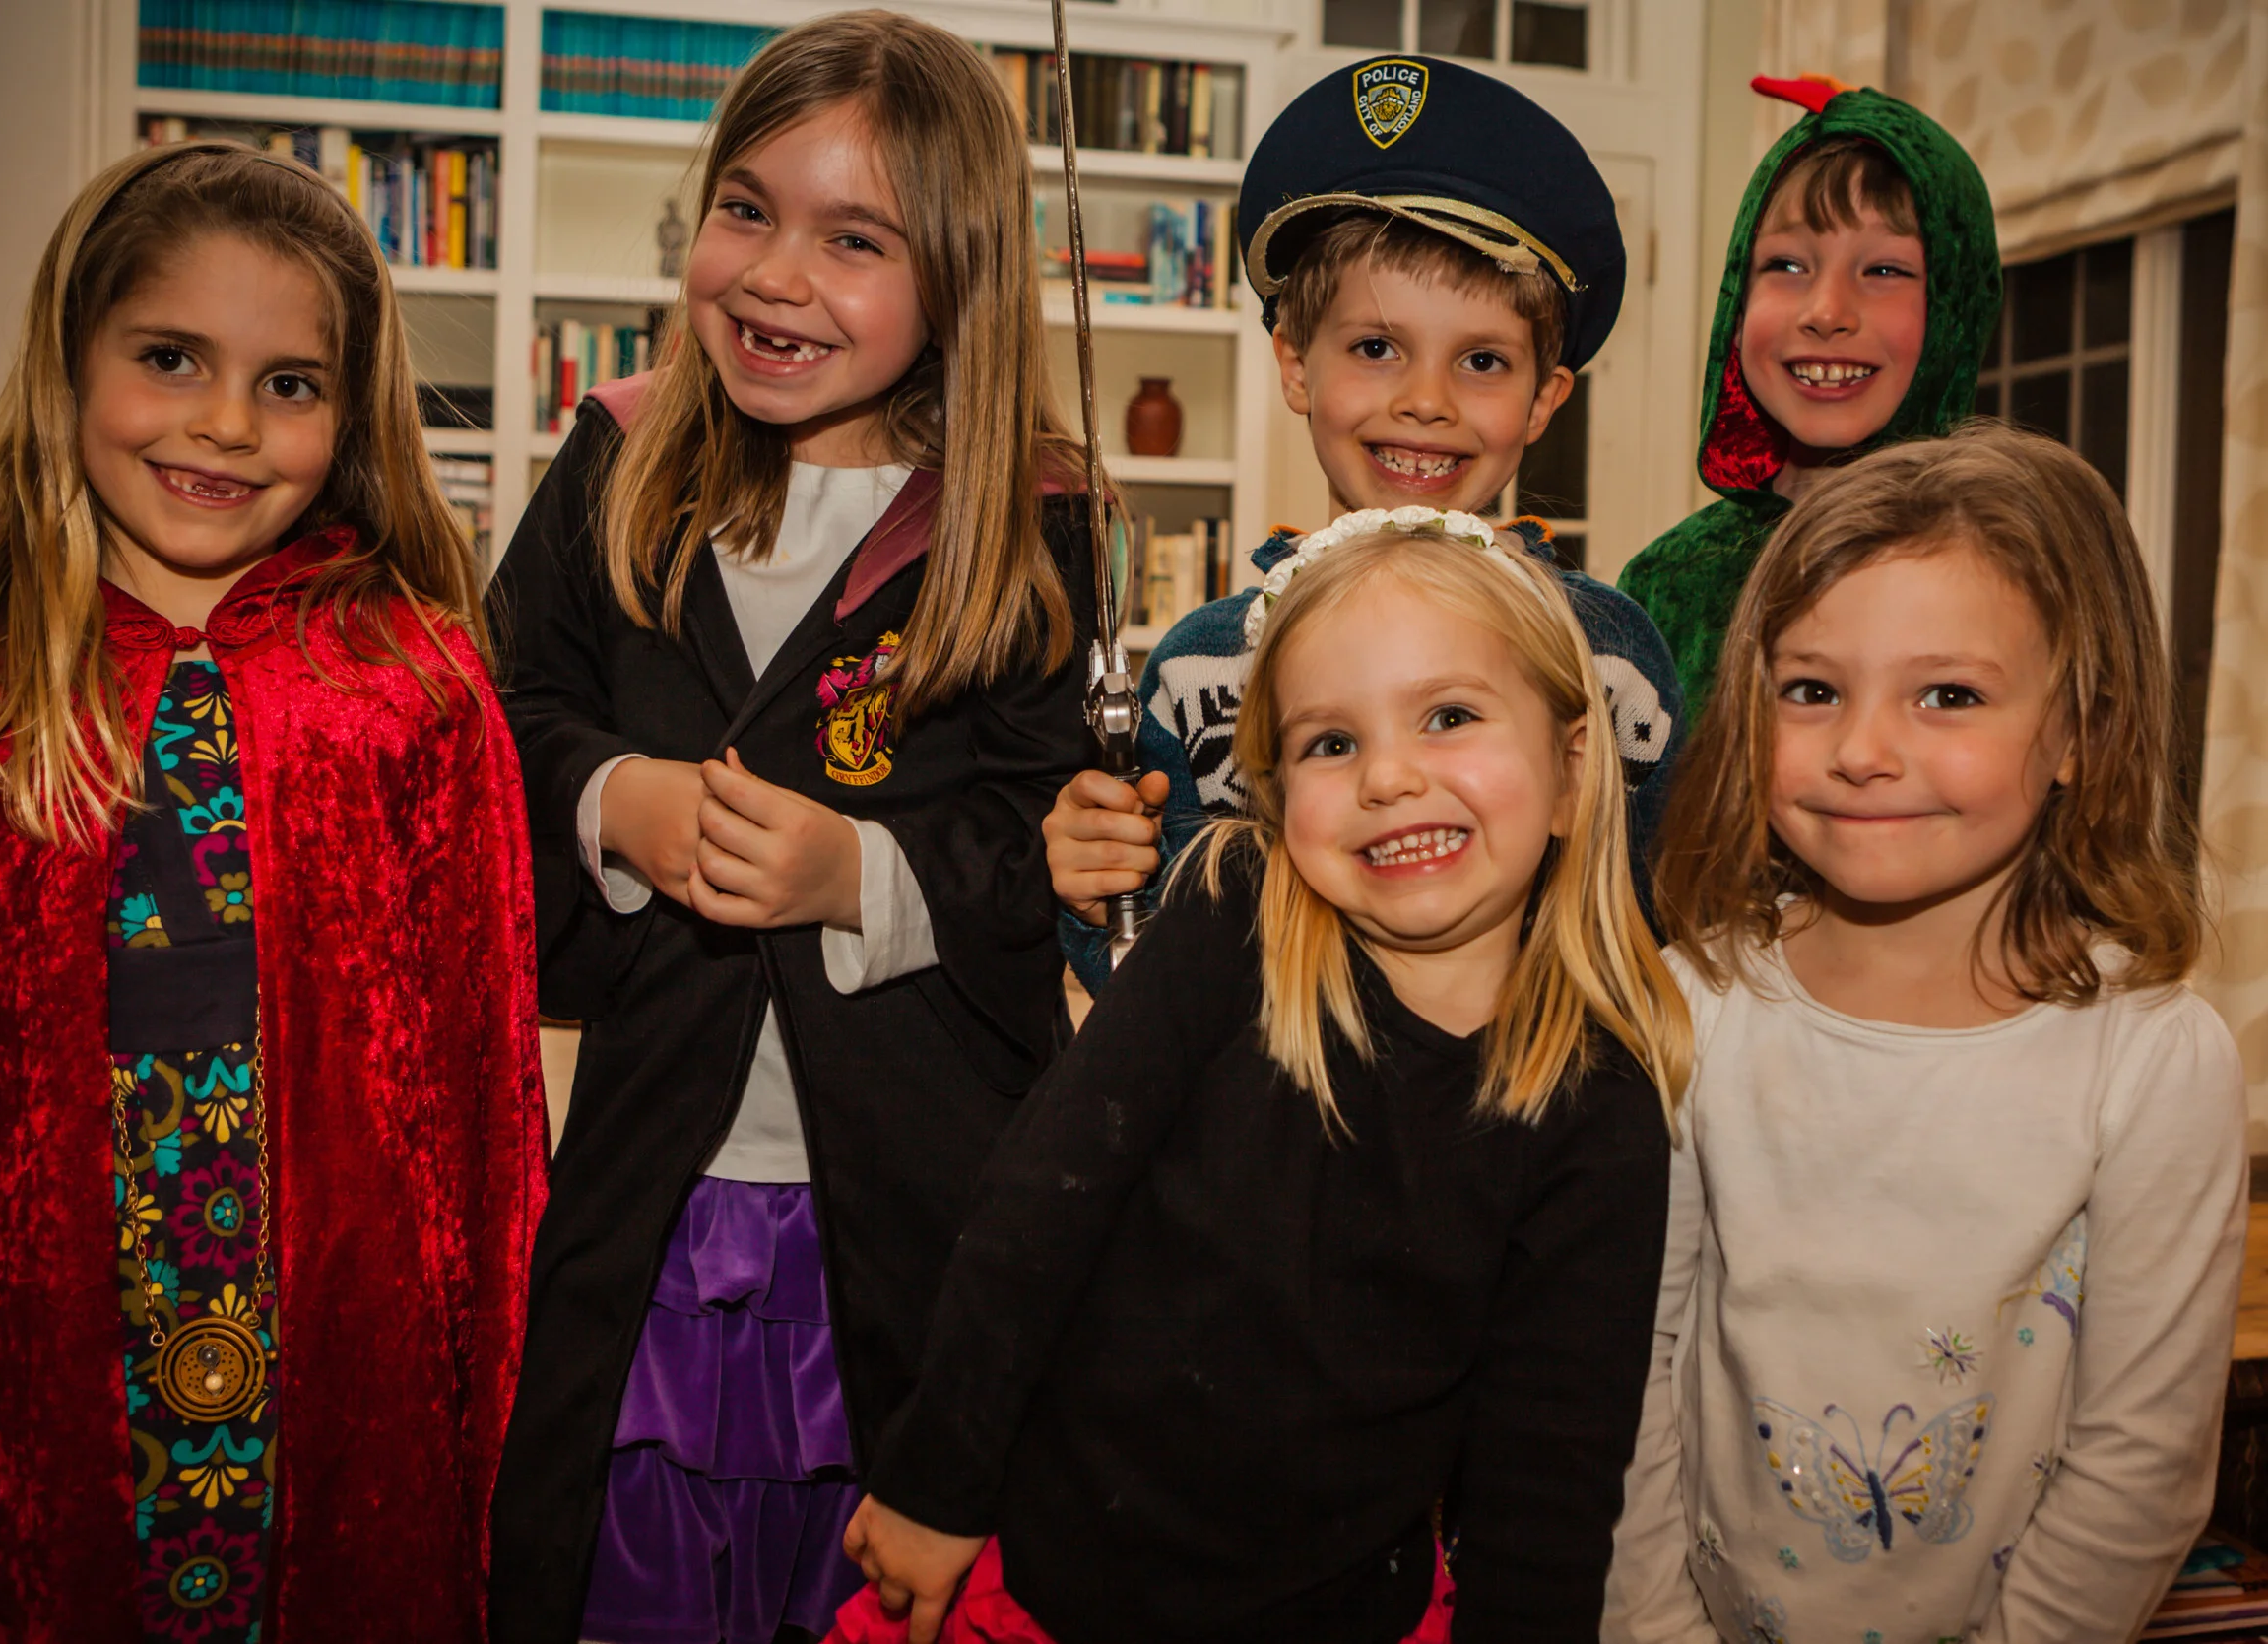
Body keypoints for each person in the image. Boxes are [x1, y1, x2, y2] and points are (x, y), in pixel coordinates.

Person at [0, 141, 545, 1640]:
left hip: (326, 1335)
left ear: (350, 416)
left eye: (290, 383)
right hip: (22, 1326)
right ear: (72, 359)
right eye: (170, 358)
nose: (227, 423)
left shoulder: (407, 683)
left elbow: (482, 1090)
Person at [485, 15, 1096, 1643]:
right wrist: (617, 799)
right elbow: (502, 718)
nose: (775, 275)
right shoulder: (619, 459)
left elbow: (1043, 838)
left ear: (959, 278)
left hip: (906, 1211)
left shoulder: (1032, 519)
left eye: (855, 240)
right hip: (657, 1197)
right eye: (746, 210)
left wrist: (859, 874)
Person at [838, 510, 1691, 1644]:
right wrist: (933, 1482)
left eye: (1448, 716)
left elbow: (1549, 1472)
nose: (1388, 776)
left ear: (1575, 767)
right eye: (1330, 742)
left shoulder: (1598, 1100)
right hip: (1045, 1582)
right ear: (1276, 792)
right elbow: (1035, 1211)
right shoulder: (1225, 919)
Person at [1602, 425, 2245, 1643]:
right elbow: (1627, 1382)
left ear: (2081, 734)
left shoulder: (2153, 1060)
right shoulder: (1693, 1005)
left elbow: (2141, 1462)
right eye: (1811, 690)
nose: (1860, 751)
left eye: (1948, 694)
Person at [1044, 56, 1681, 992]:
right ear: (1297, 366)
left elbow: (1650, 940)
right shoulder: (1201, 670)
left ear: (1545, 400)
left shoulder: (1612, 659)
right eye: (1377, 347)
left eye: (1483, 361)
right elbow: (1153, 989)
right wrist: (1098, 895)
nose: (1425, 400)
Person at [1617, 74, 2000, 727]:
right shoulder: (1664, 583)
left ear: (1954, 312)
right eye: (1787, 266)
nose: (1826, 312)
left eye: (1884, 270)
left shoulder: (2003, 573)